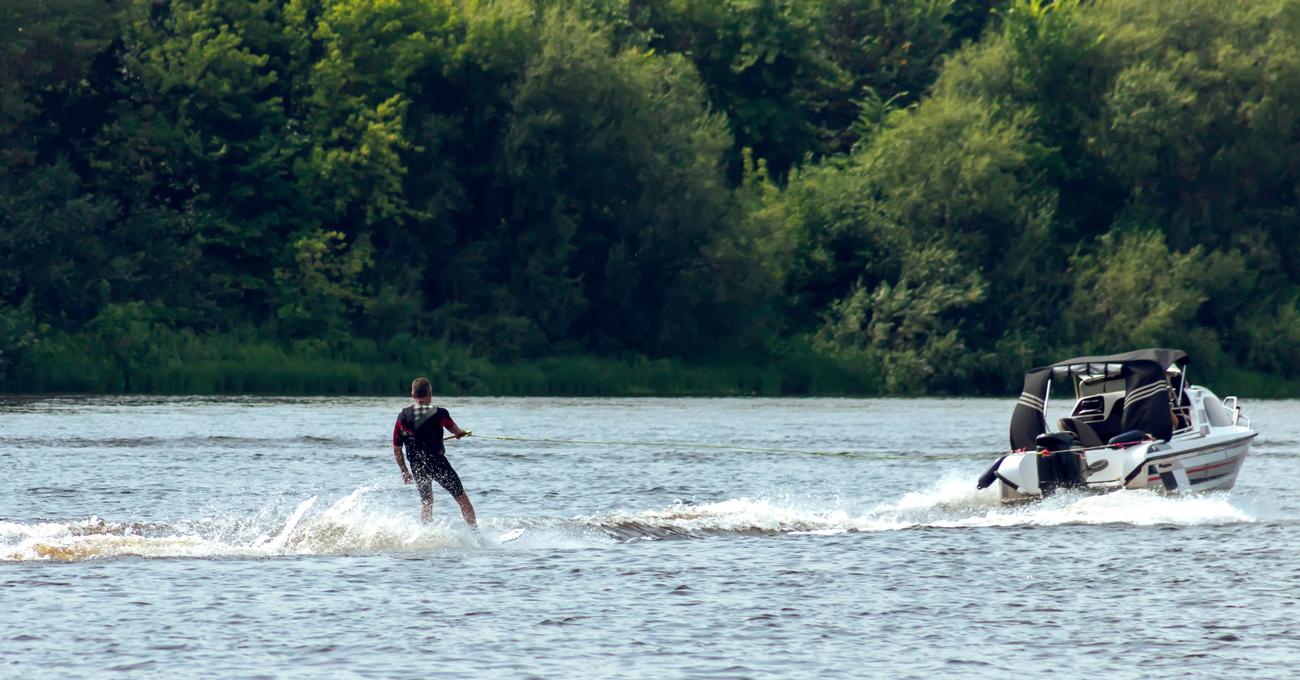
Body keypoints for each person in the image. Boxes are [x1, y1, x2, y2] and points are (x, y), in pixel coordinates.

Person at [391, 377, 477, 527]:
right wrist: (461, 433)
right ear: (430, 393)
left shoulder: (402, 416)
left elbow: (397, 447)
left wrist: (404, 471)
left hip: (417, 465)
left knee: (427, 502)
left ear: (413, 395)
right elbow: (456, 431)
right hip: (438, 464)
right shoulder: (440, 413)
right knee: (461, 498)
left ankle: (426, 533)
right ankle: (476, 534)